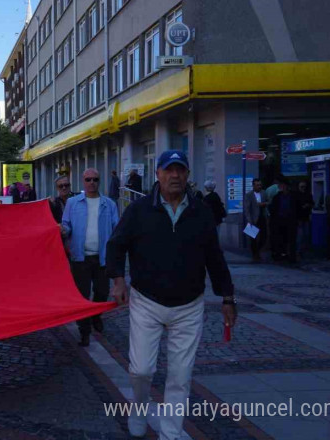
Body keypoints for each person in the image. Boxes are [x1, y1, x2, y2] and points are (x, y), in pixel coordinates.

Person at [107, 151, 235, 440]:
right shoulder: (139, 210)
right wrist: (118, 281)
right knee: (140, 370)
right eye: (169, 170)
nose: (175, 175)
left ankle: (170, 433)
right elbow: (116, 245)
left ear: (188, 175)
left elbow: (215, 258)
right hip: (146, 302)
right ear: (158, 174)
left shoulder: (201, 212)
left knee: (180, 376)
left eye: (180, 170)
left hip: (189, 306)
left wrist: (227, 297)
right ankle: (139, 406)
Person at [61, 169, 119, 346]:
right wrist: (64, 231)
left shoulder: (109, 204)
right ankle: (84, 331)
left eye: (95, 179)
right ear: (83, 181)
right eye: (88, 179)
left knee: (102, 292)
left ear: (99, 181)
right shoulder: (73, 203)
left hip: (102, 258)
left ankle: (96, 315)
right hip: (80, 258)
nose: (92, 182)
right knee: (82, 296)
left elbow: (117, 229)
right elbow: (66, 223)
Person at [269, 177, 299, 263]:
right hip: (280, 220)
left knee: (291, 239)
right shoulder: (277, 197)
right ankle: (281, 254)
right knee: (281, 238)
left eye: (281, 185)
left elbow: (297, 208)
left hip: (290, 220)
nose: (280, 187)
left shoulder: (293, 196)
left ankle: (291, 256)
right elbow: (273, 209)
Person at [243, 179, 269, 262]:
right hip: (253, 218)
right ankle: (255, 255)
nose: (259, 187)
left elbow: (269, 201)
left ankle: (258, 251)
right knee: (253, 239)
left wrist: (264, 204)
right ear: (253, 186)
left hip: (262, 217)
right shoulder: (249, 195)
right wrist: (249, 220)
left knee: (264, 236)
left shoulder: (264, 193)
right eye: (257, 185)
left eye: (260, 185)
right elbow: (246, 208)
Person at [296, 180, 314, 255]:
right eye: (302, 187)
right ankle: (298, 250)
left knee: (306, 235)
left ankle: (303, 250)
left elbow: (312, 203)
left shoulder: (308, 195)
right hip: (299, 217)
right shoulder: (296, 195)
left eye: (304, 187)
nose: (303, 188)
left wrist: (308, 205)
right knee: (300, 235)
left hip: (306, 217)